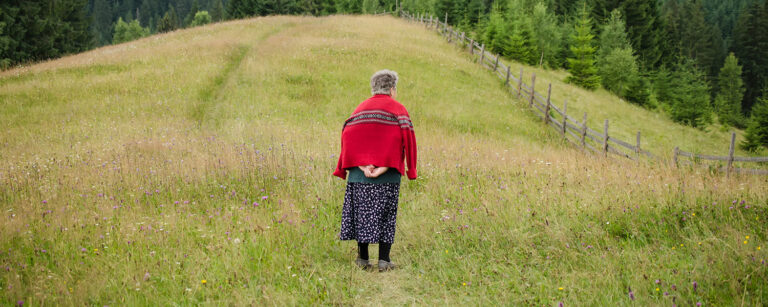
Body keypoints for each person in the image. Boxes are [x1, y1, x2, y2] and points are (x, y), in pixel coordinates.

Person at [333, 69, 418, 272]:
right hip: (387, 174)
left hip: (358, 174)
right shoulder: (398, 109)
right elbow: (407, 139)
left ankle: (363, 259)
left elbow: (347, 136)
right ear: (391, 88)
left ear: (373, 88)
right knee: (386, 215)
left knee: (361, 214)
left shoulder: (360, 109)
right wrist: (400, 168)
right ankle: (384, 260)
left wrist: (361, 165)